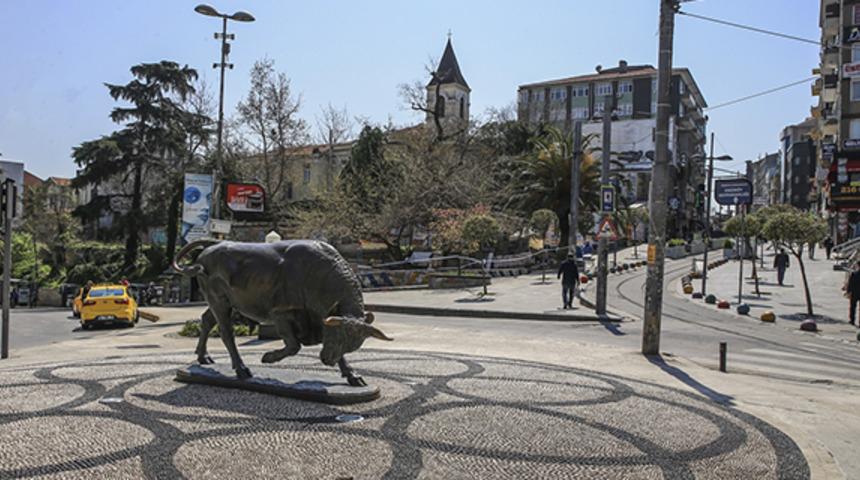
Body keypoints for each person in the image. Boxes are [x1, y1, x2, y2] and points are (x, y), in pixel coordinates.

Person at [844, 261, 860, 326]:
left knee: (852, 307)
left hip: (854, 293)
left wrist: (848, 292)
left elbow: (850, 284)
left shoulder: (854, 274)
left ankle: (852, 320)